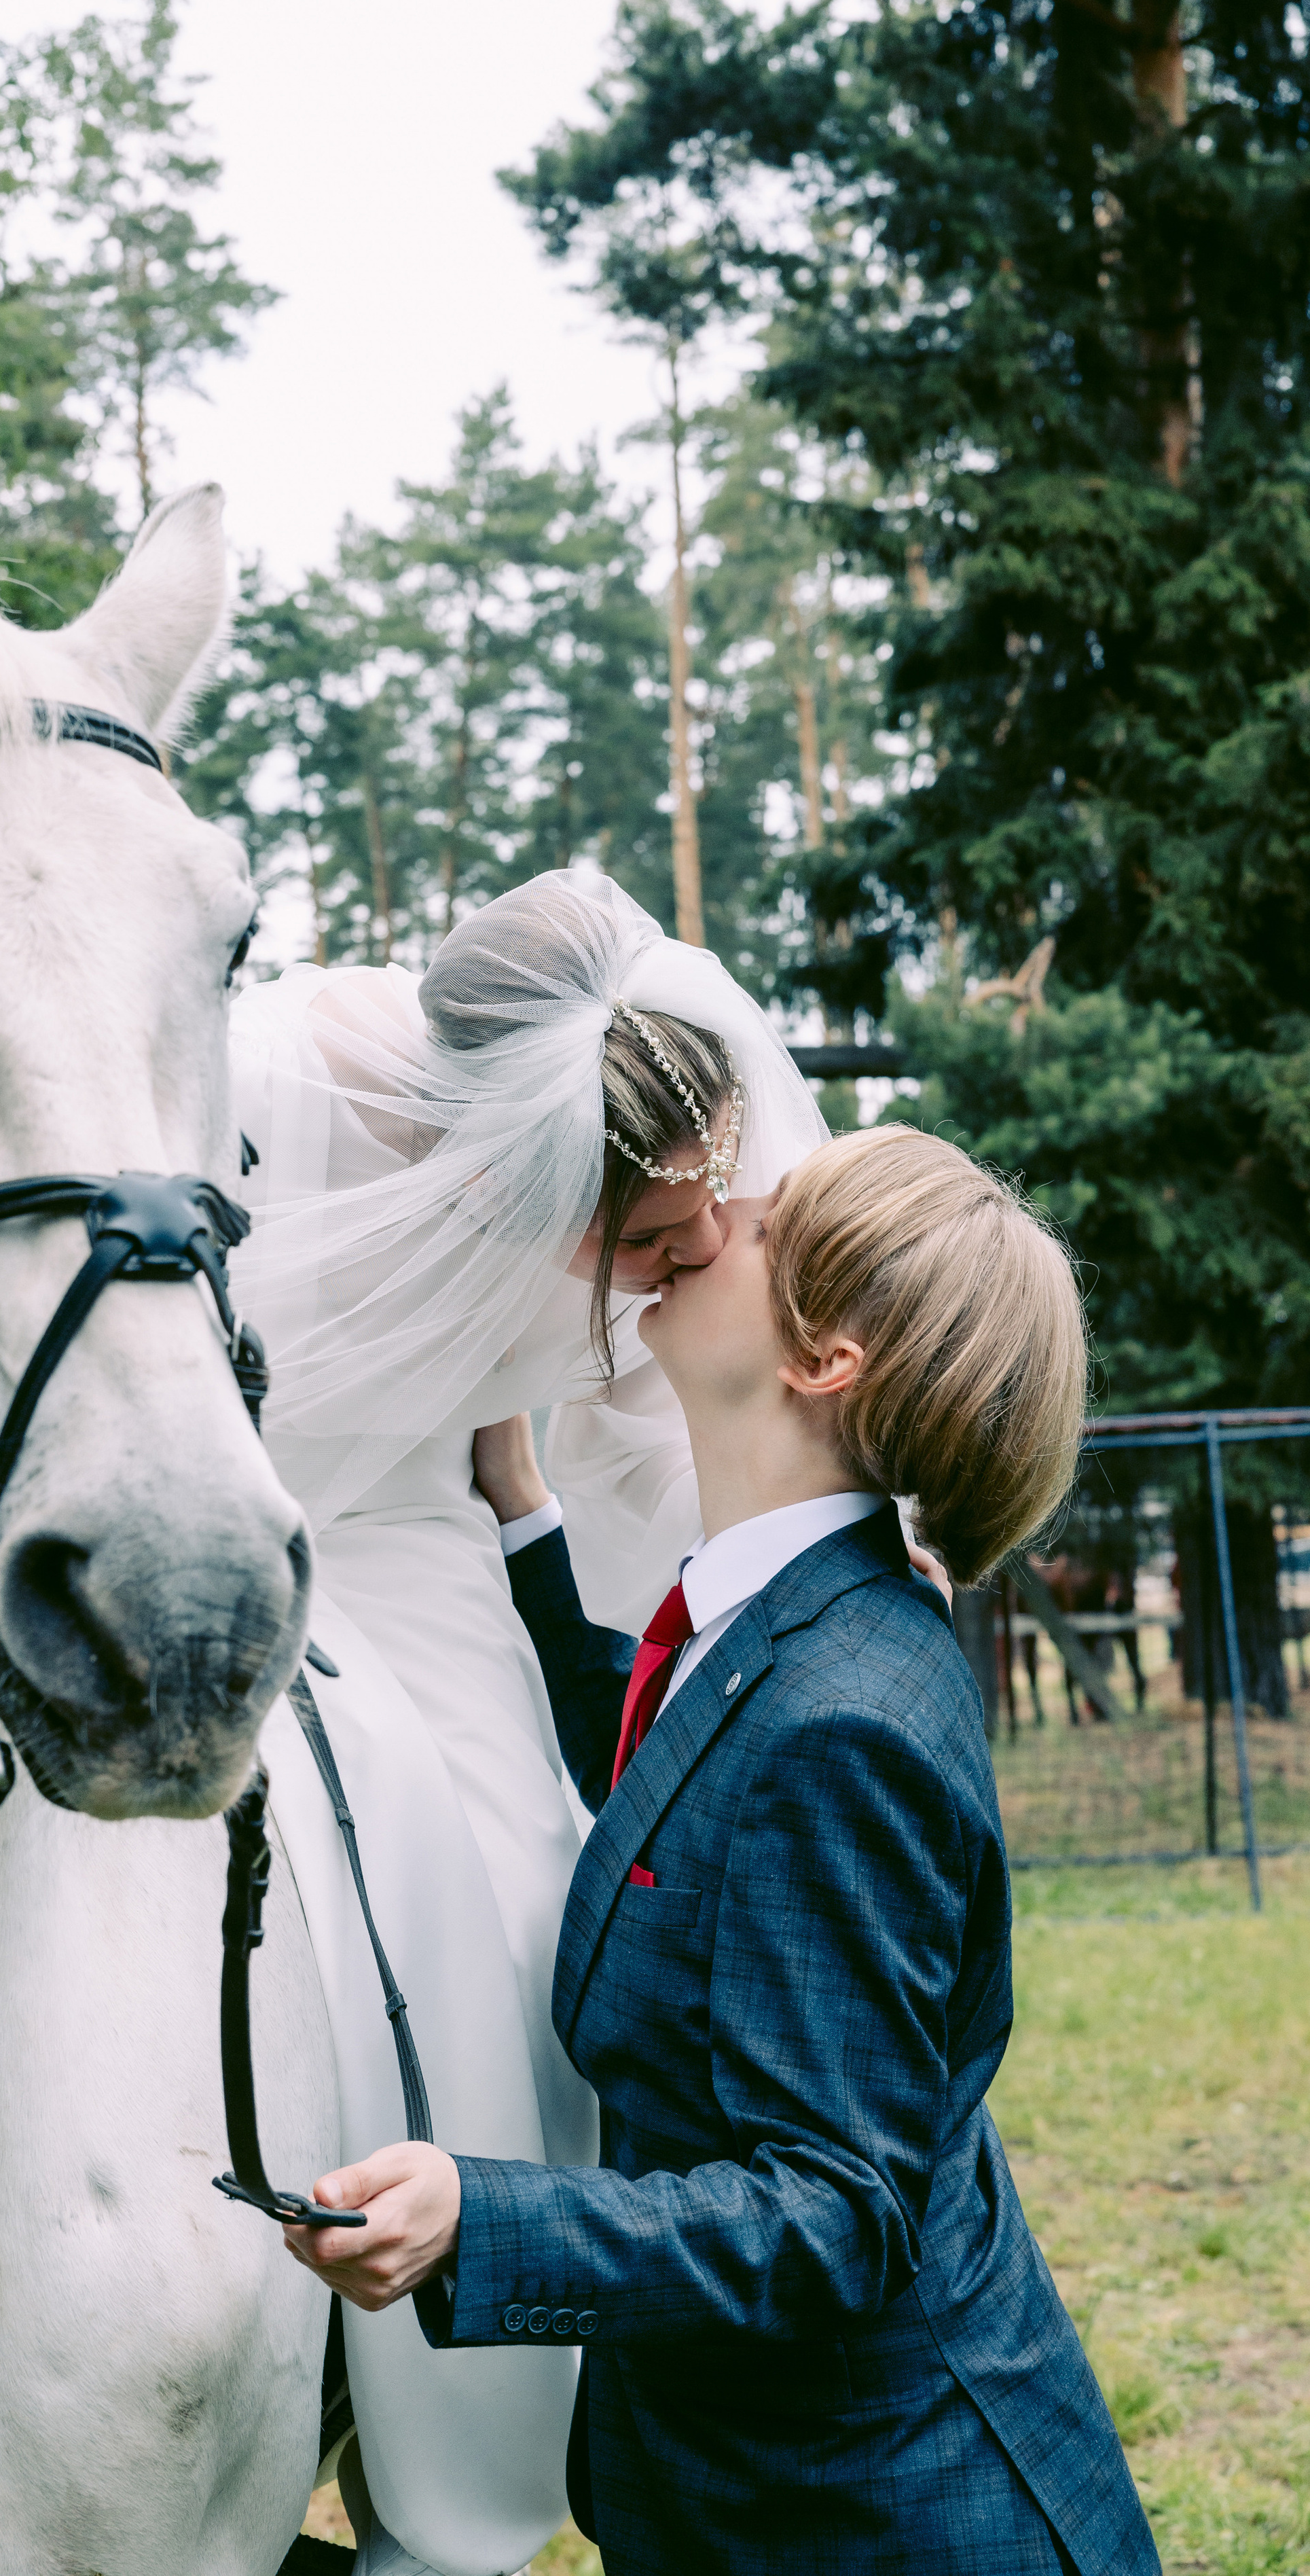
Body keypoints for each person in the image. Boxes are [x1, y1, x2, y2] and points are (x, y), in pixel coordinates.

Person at [283, 1125, 1161, 2576]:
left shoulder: (842, 1726)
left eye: (761, 1223)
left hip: (881, 2521)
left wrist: (475, 2219)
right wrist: (518, 1513)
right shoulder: (786, 1626)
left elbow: (831, 2216)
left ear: (822, 1359)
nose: (707, 1218)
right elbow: (672, 1799)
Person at [227, 868, 829, 2576]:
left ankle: (461, 2482)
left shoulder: (663, 1200)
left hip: (416, 1549)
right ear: (522, 1174)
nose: (679, 1270)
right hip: (219, 1523)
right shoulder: (267, 1073)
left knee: (520, 1920)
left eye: (695, 1231)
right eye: (642, 1248)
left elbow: (645, 1441)